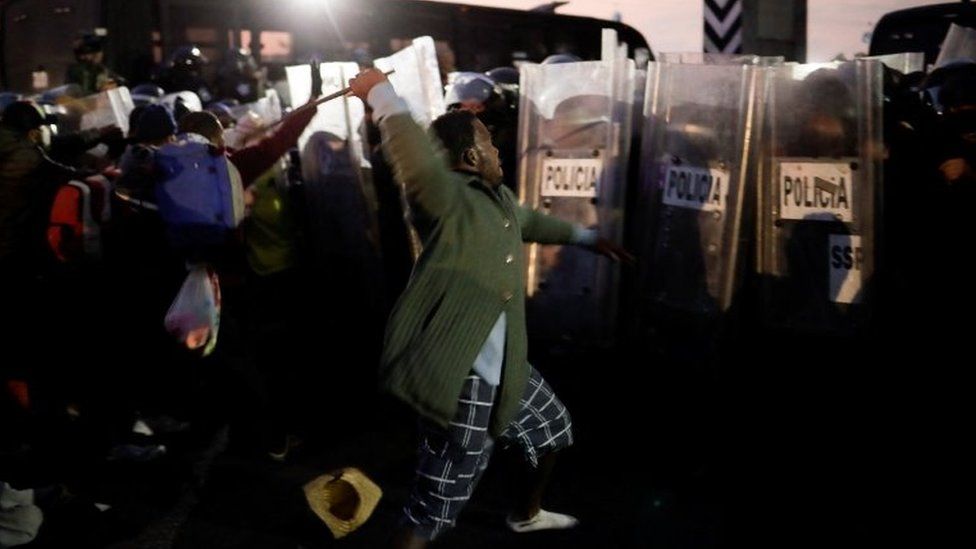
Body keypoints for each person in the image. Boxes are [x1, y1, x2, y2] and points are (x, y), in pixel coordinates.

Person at [348, 69, 632, 547]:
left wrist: (588, 238)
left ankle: (525, 514)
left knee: (551, 429)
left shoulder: (494, 199)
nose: (498, 150)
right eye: (490, 143)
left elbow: (530, 220)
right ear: (470, 155)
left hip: (507, 365)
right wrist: (379, 90)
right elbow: (413, 153)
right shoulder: (447, 198)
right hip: (464, 376)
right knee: (432, 508)